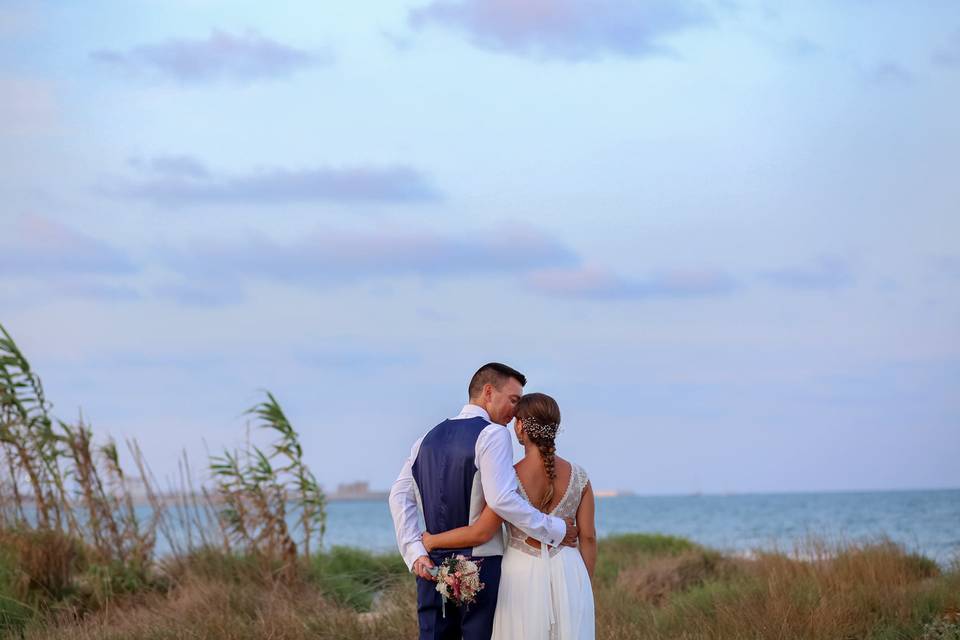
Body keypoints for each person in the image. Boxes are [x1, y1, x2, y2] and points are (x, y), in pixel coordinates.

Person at [388, 363, 579, 640]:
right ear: (488, 392)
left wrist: (415, 552)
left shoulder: (424, 440)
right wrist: (556, 529)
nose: (515, 411)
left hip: (430, 568)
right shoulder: (492, 434)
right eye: (513, 400)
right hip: (480, 568)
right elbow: (502, 499)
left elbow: (398, 495)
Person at [422, 392, 596, 640]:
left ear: (520, 426)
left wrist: (432, 541)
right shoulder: (580, 476)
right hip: (571, 574)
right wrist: (582, 587)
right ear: (554, 428)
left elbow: (480, 532)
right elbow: (588, 538)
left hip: (521, 576)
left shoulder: (508, 478)